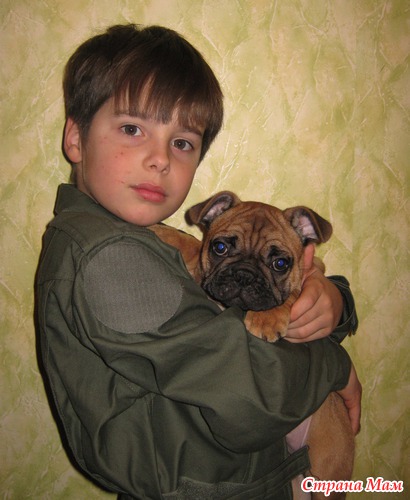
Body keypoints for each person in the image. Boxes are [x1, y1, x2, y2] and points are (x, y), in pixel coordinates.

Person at [36, 24, 361, 499]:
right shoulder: (109, 260)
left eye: (182, 143)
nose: (160, 159)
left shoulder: (127, 241)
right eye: (132, 129)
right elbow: (250, 391)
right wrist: (334, 363)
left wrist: (336, 300)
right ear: (75, 138)